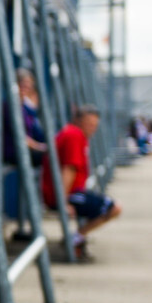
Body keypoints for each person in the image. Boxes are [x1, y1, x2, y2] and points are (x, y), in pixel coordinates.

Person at [41, 105, 122, 261]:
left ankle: (76, 238)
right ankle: (75, 239)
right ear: (78, 120)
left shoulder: (71, 133)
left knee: (105, 204)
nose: (92, 129)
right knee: (114, 208)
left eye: (95, 126)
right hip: (66, 193)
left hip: (68, 191)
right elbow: (68, 169)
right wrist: (62, 201)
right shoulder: (74, 136)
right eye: (89, 124)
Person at [3, 68, 47, 168]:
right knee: (50, 156)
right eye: (23, 83)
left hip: (25, 150)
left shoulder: (24, 107)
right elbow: (20, 136)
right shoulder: (10, 106)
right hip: (14, 151)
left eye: (29, 83)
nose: (26, 87)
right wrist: (40, 147)